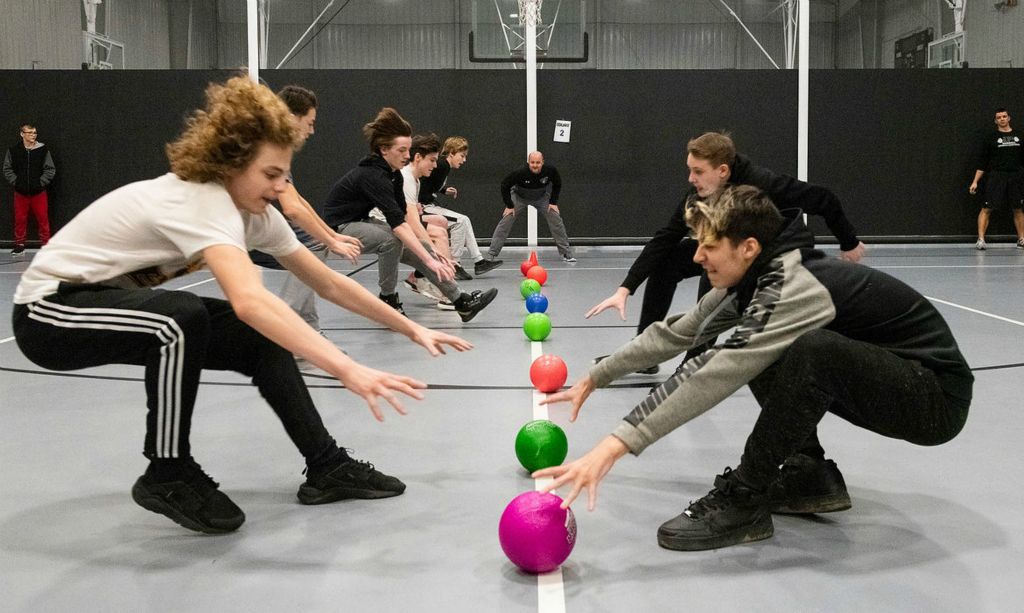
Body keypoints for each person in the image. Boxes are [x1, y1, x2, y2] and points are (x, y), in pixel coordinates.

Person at [11, 76, 474, 535]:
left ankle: (326, 466)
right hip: (48, 311)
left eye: (284, 175)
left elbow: (329, 283)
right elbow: (250, 301)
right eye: (271, 175)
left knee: (258, 338)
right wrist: (346, 369)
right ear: (231, 163)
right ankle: (167, 471)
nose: (280, 187)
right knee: (181, 318)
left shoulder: (257, 213)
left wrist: (413, 329)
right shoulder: (202, 197)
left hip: (109, 301)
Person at [536, 184, 973, 552]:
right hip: (901, 379)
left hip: (934, 397)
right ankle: (810, 474)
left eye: (709, 247)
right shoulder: (754, 277)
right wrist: (597, 375)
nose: (696, 258)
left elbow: (715, 370)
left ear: (747, 247)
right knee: (779, 345)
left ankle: (746, 498)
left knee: (806, 349)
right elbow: (679, 332)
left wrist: (611, 447)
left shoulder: (793, 286)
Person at [587, 132, 866, 374]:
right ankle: (643, 355)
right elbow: (666, 238)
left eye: (698, 171)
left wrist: (849, 242)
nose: (690, 178)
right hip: (732, 252)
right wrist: (626, 288)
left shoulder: (762, 183)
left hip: (772, 254)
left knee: (713, 271)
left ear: (722, 170)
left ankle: (696, 361)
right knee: (668, 262)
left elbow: (824, 199)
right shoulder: (699, 193)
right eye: (690, 170)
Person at [323, 108, 497, 322]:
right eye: (402, 150)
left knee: (417, 245)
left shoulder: (393, 174)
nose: (407, 156)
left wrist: (431, 251)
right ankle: (387, 299)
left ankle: (460, 301)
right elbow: (398, 225)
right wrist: (431, 262)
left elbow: (407, 215)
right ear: (384, 149)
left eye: (408, 150)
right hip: (339, 228)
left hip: (363, 221)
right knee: (392, 240)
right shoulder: (374, 176)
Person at [248, 85, 363, 341]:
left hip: (250, 228)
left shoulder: (274, 146)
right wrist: (330, 241)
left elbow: (298, 200)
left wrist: (330, 234)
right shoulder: (268, 147)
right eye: (309, 123)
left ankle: (308, 330)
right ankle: (283, 332)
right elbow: (291, 209)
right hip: (237, 231)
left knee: (315, 245)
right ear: (291, 117)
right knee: (312, 249)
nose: (312, 131)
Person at [418, 136, 502, 277]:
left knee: (464, 220)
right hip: (424, 207)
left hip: (428, 205)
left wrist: (444, 190)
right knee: (461, 221)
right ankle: (455, 265)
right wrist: (416, 201)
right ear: (451, 153)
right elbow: (420, 180)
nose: (464, 160)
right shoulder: (442, 165)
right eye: (461, 156)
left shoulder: (443, 166)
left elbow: (428, 183)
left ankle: (479, 262)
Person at [486, 151, 576, 263]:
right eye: (532, 162)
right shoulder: (520, 172)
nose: (535, 165)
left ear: (542, 162)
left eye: (538, 162)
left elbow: (557, 183)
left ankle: (566, 253)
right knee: (505, 222)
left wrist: (553, 202)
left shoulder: (550, 170)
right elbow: (504, 185)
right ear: (528, 162)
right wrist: (509, 205)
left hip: (541, 198)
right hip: (519, 198)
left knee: (556, 220)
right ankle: (491, 254)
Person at [968, 107, 1024, 250]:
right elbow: (982, 162)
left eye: (1004, 116)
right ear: (995, 121)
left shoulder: (1019, 136)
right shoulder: (991, 138)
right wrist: (975, 181)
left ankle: (1021, 239)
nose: (1002, 119)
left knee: (1018, 208)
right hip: (996, 176)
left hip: (1015, 176)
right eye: (999, 117)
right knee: (987, 208)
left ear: (1009, 118)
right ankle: (981, 239)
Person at [4, 123, 56, 255]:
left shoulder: (43, 150)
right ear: (22, 134)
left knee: (43, 219)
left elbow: (50, 169)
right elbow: (7, 169)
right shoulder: (13, 150)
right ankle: (19, 244)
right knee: (20, 219)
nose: (33, 135)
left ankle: (46, 244)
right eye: (30, 133)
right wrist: (16, 182)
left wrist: (41, 183)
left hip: (38, 192)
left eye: (35, 133)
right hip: (20, 192)